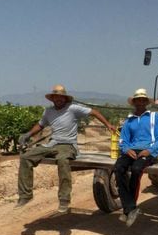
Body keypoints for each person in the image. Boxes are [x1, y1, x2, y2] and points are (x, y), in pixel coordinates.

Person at [15, 84, 115, 213]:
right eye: (56, 97)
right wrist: (28, 134)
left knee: (63, 160)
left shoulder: (72, 108)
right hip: (52, 144)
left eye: (61, 97)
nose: (59, 99)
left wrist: (108, 124)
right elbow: (40, 125)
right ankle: (25, 195)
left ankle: (64, 199)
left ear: (65, 98)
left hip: (68, 145)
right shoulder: (48, 111)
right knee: (26, 157)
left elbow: (94, 112)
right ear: (53, 98)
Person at [114, 88, 158, 227]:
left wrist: (149, 151)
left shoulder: (154, 117)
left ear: (146, 102)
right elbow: (123, 140)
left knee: (136, 169)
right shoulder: (129, 120)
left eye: (143, 100)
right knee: (118, 168)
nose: (140, 102)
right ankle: (131, 208)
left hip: (148, 152)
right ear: (134, 102)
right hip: (131, 151)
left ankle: (128, 209)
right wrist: (126, 149)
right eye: (138, 100)